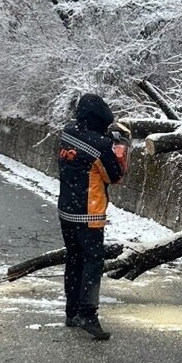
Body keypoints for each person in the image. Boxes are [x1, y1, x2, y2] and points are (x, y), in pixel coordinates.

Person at [57, 93, 129, 340]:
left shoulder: (68, 132)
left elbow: (83, 144)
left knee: (74, 259)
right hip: (89, 213)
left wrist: (104, 138)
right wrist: (120, 147)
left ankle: (72, 311)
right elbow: (115, 175)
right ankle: (89, 314)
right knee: (93, 263)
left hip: (66, 209)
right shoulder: (99, 146)